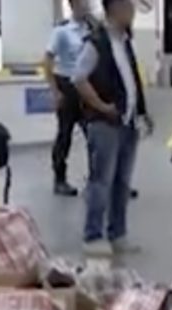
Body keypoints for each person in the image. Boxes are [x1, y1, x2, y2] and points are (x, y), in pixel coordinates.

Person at [72, 0, 153, 257]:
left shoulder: (125, 42)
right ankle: (93, 235)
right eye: (128, 7)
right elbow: (79, 78)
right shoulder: (97, 43)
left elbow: (132, 81)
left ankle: (118, 234)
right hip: (105, 124)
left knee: (122, 182)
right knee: (101, 181)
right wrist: (101, 106)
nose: (132, 13)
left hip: (127, 122)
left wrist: (141, 111)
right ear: (115, 9)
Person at [45, 0, 95, 197]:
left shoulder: (92, 29)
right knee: (64, 135)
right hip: (66, 85)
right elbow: (47, 60)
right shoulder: (62, 32)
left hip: (86, 87)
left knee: (94, 136)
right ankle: (59, 179)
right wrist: (55, 92)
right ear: (73, 5)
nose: (87, 6)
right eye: (83, 3)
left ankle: (97, 179)